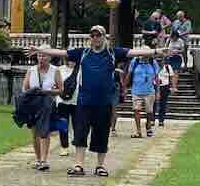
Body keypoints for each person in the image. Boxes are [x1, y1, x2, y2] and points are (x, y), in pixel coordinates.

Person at [38, 27, 158, 178]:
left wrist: (156, 52)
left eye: (98, 35)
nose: (95, 38)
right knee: (80, 133)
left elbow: (135, 52)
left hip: (104, 102)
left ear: (103, 37)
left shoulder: (112, 53)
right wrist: (41, 50)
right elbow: (62, 52)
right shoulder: (83, 53)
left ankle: (100, 166)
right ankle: (79, 165)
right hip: (84, 101)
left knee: (102, 134)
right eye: (92, 35)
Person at [22, 48, 62, 170]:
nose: (41, 58)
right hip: (33, 104)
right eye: (39, 56)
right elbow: (24, 88)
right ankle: (38, 159)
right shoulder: (31, 70)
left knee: (44, 131)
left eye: (44, 56)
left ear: (50, 57)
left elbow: (60, 90)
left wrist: (47, 92)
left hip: (47, 104)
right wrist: (31, 93)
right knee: (35, 133)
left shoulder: (55, 71)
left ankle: (44, 160)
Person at [126, 50, 160, 137]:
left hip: (149, 91)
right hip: (136, 91)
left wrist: (158, 92)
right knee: (136, 110)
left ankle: (148, 126)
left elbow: (156, 78)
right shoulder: (135, 61)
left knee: (149, 111)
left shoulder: (153, 62)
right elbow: (129, 74)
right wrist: (124, 87)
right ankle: (138, 131)